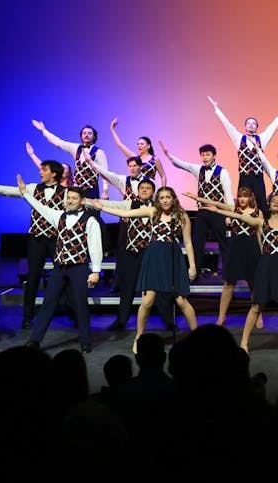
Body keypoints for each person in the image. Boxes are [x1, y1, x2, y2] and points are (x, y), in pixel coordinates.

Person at [89, 187, 199, 353]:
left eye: (168, 197)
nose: (165, 200)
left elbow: (188, 243)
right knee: (147, 301)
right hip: (154, 257)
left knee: (181, 301)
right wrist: (102, 208)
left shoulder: (182, 216)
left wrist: (192, 266)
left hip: (172, 258)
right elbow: (126, 214)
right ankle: (139, 337)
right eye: (161, 197)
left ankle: (198, 337)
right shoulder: (152, 211)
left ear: (173, 198)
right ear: (158, 199)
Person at [203, 193, 278, 357]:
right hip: (266, 267)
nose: (275, 203)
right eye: (273, 201)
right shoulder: (261, 222)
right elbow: (238, 215)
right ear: (269, 205)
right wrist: (217, 211)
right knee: (256, 306)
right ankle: (244, 342)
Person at [0, 161, 68, 329]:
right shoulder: (32, 188)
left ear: (54, 174)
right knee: (33, 278)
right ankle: (28, 317)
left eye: (44, 170)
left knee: (64, 274)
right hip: (36, 239)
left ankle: (69, 310)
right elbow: (10, 192)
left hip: (56, 239)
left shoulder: (66, 193)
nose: (40, 172)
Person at [14, 175, 102, 353]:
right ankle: (35, 340)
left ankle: (85, 340)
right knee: (48, 303)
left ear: (82, 201)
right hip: (60, 268)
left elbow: (95, 247)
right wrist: (25, 194)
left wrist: (96, 271)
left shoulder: (90, 221)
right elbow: (40, 207)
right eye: (68, 197)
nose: (70, 201)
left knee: (80, 304)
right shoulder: (58, 215)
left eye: (74, 198)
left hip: (79, 267)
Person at [92, 178, 176, 333]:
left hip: (151, 254)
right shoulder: (129, 204)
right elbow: (113, 205)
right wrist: (97, 204)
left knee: (159, 289)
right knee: (127, 288)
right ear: (138, 191)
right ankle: (121, 320)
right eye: (142, 188)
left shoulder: (159, 208)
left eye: (148, 188)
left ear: (153, 192)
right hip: (132, 253)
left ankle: (169, 321)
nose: (144, 190)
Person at [158, 139, 233, 277]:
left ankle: (229, 273)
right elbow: (182, 165)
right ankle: (195, 271)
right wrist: (168, 155)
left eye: (208, 154)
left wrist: (229, 215)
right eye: (203, 155)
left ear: (214, 156)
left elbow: (228, 194)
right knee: (197, 242)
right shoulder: (199, 170)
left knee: (223, 243)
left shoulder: (223, 172)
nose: (205, 157)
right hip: (203, 212)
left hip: (218, 212)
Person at [208, 94, 278, 214]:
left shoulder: (261, 139)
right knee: (242, 203)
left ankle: (264, 228)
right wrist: (217, 109)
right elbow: (227, 125)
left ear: (257, 127)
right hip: (244, 176)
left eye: (254, 123)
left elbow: (273, 127)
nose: (251, 125)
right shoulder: (239, 138)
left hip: (258, 177)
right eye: (248, 123)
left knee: (262, 203)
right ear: (245, 127)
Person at [193, 187, 264, 329]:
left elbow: (259, 234)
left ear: (251, 198)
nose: (242, 199)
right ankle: (222, 316)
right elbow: (216, 203)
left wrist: (263, 253)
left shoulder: (258, 212)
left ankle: (258, 315)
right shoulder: (233, 210)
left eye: (245, 196)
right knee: (228, 284)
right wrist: (198, 199)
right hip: (235, 250)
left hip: (252, 250)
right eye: (240, 196)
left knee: (254, 285)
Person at [31, 120, 110, 201]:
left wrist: (105, 190)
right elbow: (59, 142)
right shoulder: (76, 148)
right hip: (76, 190)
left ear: (94, 137)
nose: (86, 135)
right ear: (81, 136)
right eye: (84, 133)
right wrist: (43, 130)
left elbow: (105, 172)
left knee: (92, 212)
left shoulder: (99, 152)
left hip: (91, 190)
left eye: (89, 133)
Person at [109, 116, 166, 186]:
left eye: (142, 144)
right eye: (138, 144)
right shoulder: (136, 158)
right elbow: (120, 145)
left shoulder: (155, 159)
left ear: (148, 146)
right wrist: (112, 129)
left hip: (150, 189)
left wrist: (163, 191)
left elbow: (163, 176)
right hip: (136, 189)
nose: (139, 145)